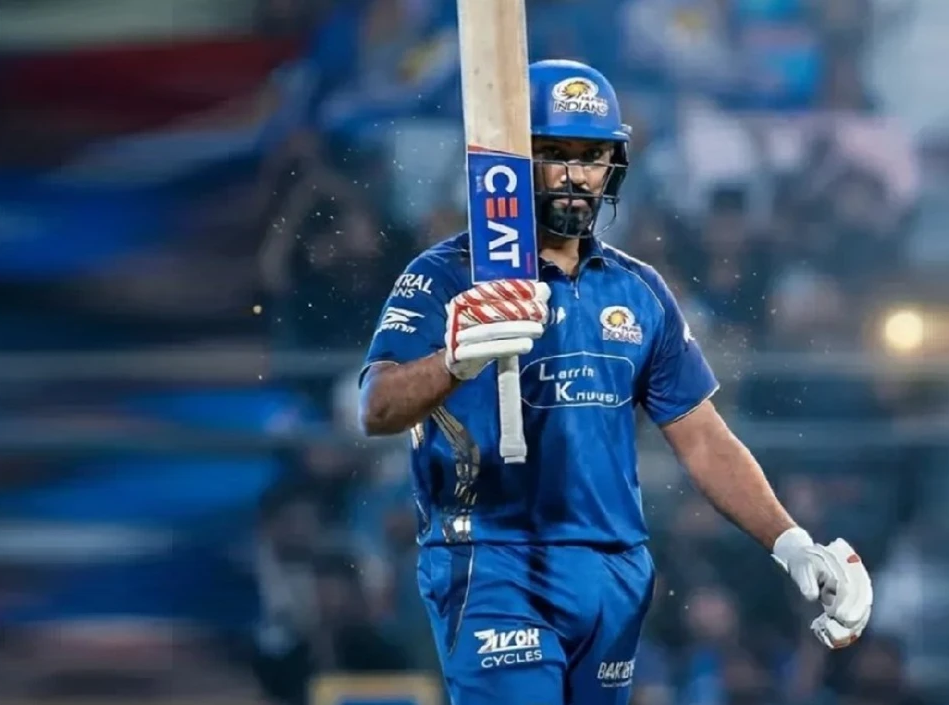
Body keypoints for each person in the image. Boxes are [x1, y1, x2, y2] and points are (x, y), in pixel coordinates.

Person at [358, 59, 872, 705]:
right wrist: (454, 361)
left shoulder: (640, 289)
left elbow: (703, 439)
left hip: (614, 570)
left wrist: (792, 542)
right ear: (512, 163)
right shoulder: (446, 275)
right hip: (493, 558)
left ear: (615, 165)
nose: (576, 176)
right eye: (555, 154)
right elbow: (377, 407)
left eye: (592, 156)